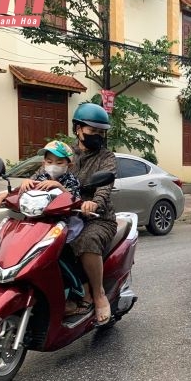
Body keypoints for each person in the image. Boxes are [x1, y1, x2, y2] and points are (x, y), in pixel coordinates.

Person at [66, 102, 118, 326]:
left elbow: (105, 187)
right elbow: (45, 172)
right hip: (65, 216)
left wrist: (94, 203)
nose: (97, 136)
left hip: (99, 219)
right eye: (92, 131)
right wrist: (20, 189)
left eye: (101, 132)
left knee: (86, 239)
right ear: (78, 129)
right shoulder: (65, 154)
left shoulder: (106, 157)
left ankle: (98, 294)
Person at [0, 140, 80, 205]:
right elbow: (25, 193)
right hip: (39, 217)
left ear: (69, 165)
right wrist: (12, 193)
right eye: (49, 162)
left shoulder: (71, 180)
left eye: (59, 163)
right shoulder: (40, 178)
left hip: (63, 221)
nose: (53, 166)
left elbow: (76, 202)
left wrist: (59, 187)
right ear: (44, 164)